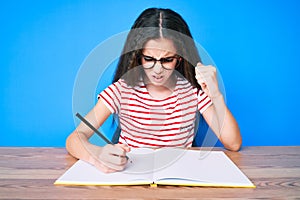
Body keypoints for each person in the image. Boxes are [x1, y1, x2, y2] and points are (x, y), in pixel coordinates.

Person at [66, 8, 242, 173]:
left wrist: (215, 94)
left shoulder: (193, 91)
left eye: (167, 60)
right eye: (149, 58)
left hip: (180, 181)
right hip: (130, 179)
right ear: (138, 56)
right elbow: (75, 139)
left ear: (179, 58)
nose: (157, 70)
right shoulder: (121, 90)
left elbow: (233, 143)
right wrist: (97, 155)